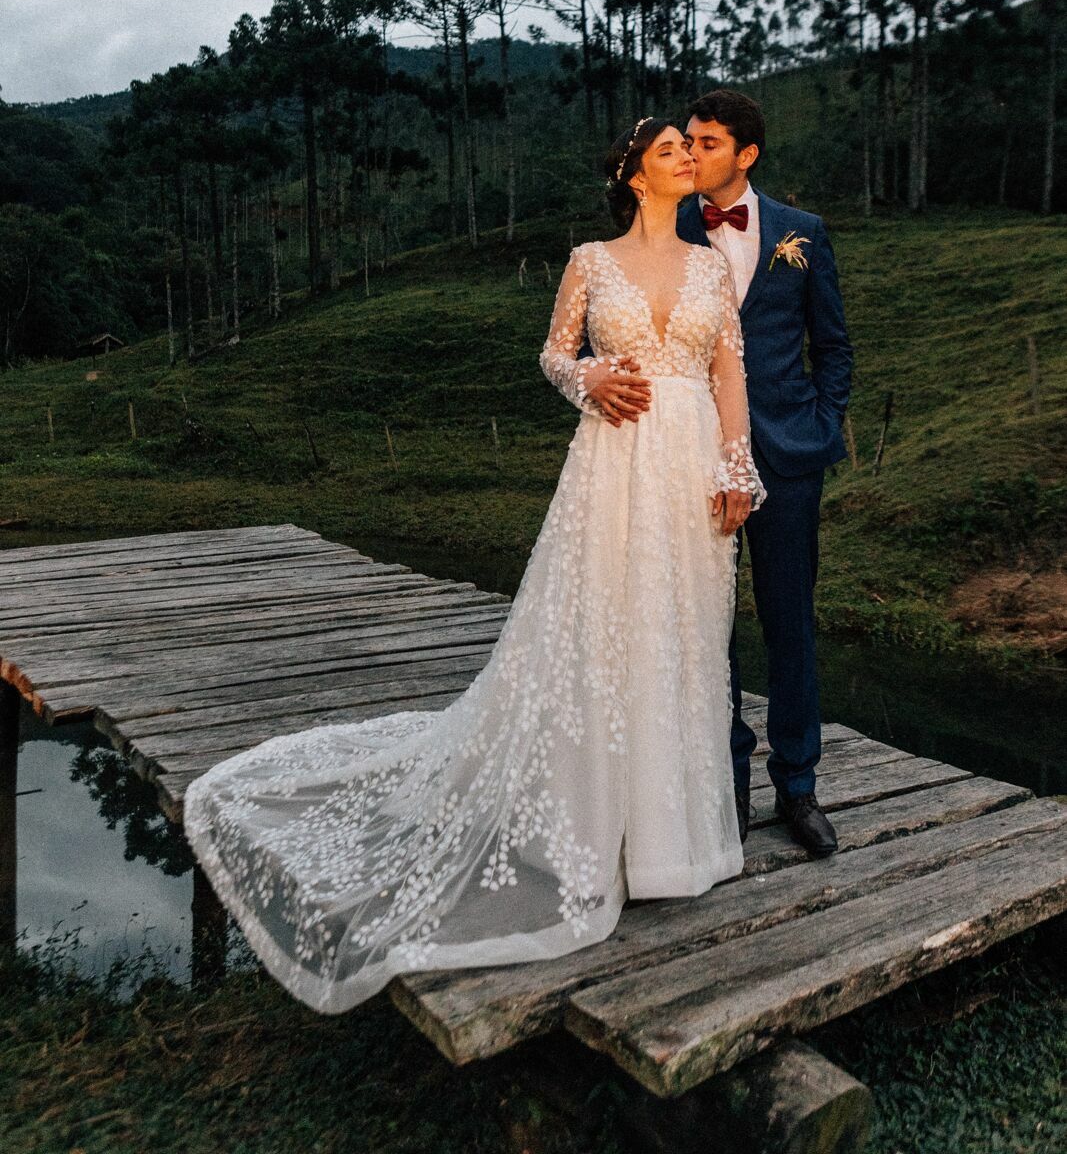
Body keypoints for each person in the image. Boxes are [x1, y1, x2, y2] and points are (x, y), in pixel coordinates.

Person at [182, 118, 764, 1014]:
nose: (690, 156)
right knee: (600, 630)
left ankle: (669, 844)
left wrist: (737, 465)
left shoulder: (711, 267)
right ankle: (591, 827)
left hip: (688, 460)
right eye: (670, 151)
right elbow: (550, 352)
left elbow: (730, 372)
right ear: (634, 176)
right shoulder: (588, 261)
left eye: (694, 147)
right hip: (612, 463)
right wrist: (587, 380)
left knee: (682, 635)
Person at [675, 89, 853, 857]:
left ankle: (799, 787)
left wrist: (819, 421)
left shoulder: (802, 235)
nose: (689, 154)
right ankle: (725, 785)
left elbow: (833, 345)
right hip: (690, 457)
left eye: (706, 143)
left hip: (787, 455)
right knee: (708, 629)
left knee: (788, 623)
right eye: (685, 142)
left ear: (745, 155)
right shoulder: (665, 228)